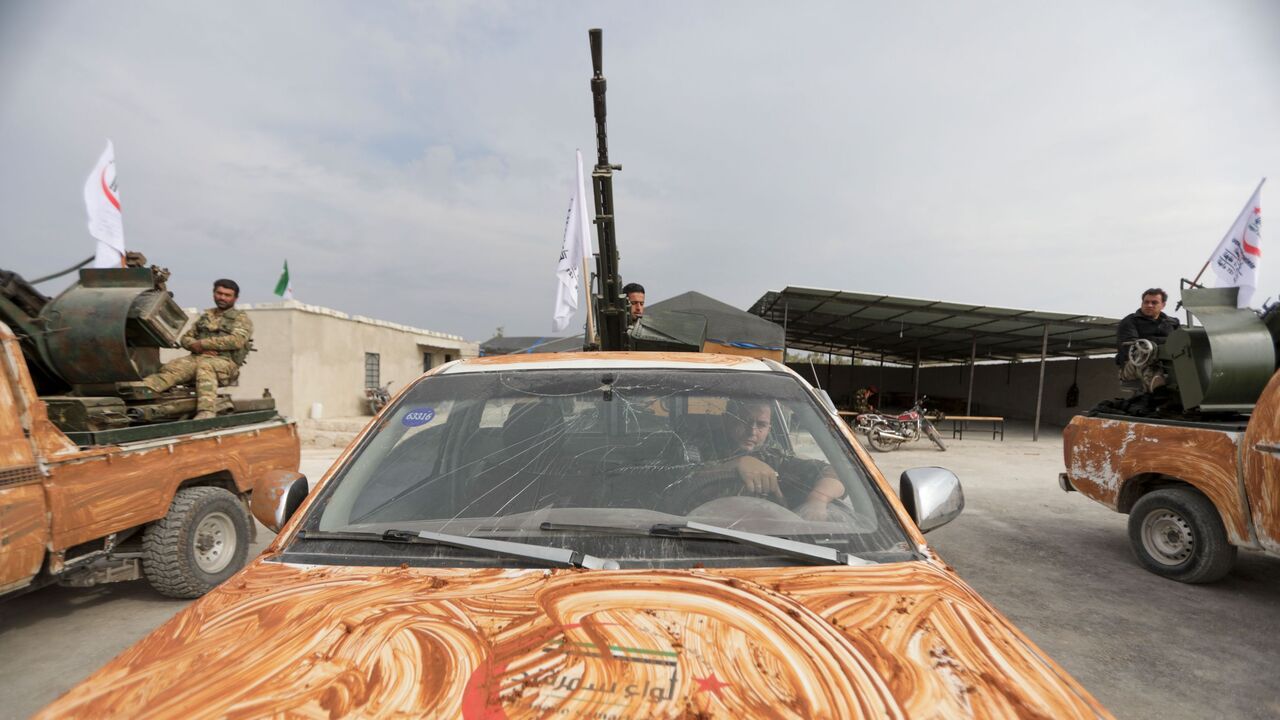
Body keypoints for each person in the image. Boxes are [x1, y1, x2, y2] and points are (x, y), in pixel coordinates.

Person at [697, 399, 848, 521]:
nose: (752, 431)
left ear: (770, 428)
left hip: (769, 540)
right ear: (727, 420)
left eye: (761, 424)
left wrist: (817, 500)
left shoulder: (773, 458)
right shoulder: (697, 449)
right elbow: (678, 483)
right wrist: (735, 464)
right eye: (743, 421)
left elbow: (840, 473)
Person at [140, 279, 254, 419]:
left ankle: (206, 411)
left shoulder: (241, 319)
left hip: (226, 364)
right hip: (198, 357)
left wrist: (202, 344)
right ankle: (142, 392)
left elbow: (236, 341)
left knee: (206, 366)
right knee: (173, 368)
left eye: (227, 295)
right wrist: (195, 346)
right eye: (219, 293)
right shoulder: (205, 317)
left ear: (235, 298)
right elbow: (186, 339)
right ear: (213, 294)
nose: (222, 297)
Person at [1116, 287, 1180, 393]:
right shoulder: (1130, 321)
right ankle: (1156, 386)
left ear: (1163, 305)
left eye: (1154, 302)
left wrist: (1153, 340)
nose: (1149, 305)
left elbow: (1181, 341)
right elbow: (1130, 347)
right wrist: (1163, 341)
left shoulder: (1172, 323)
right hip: (1133, 365)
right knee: (1142, 350)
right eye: (1146, 302)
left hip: (1168, 364)